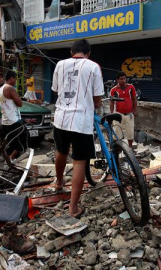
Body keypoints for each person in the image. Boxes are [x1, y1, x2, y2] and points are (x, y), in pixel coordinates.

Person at [52, 39, 104, 218]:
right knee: (79, 161)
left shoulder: (59, 64)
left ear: (71, 51)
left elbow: (56, 90)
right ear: (88, 53)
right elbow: (97, 99)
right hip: (81, 120)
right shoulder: (93, 67)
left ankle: (59, 182)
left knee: (61, 151)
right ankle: (73, 208)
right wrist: (92, 103)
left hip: (60, 118)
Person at [0, 71, 28, 161]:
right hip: (14, 120)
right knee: (23, 137)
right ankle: (10, 157)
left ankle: (9, 157)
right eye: (15, 79)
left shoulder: (0, 88)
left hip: (5, 120)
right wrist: (18, 97)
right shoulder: (10, 88)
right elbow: (20, 103)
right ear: (11, 78)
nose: (15, 81)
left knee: (10, 141)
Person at [110, 71, 137, 147]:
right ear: (117, 80)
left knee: (130, 133)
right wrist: (112, 114)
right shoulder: (113, 90)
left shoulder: (131, 87)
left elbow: (134, 99)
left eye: (125, 78)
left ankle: (130, 148)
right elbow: (111, 102)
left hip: (129, 114)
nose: (123, 80)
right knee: (117, 133)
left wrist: (135, 110)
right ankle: (118, 149)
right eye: (121, 79)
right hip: (118, 114)